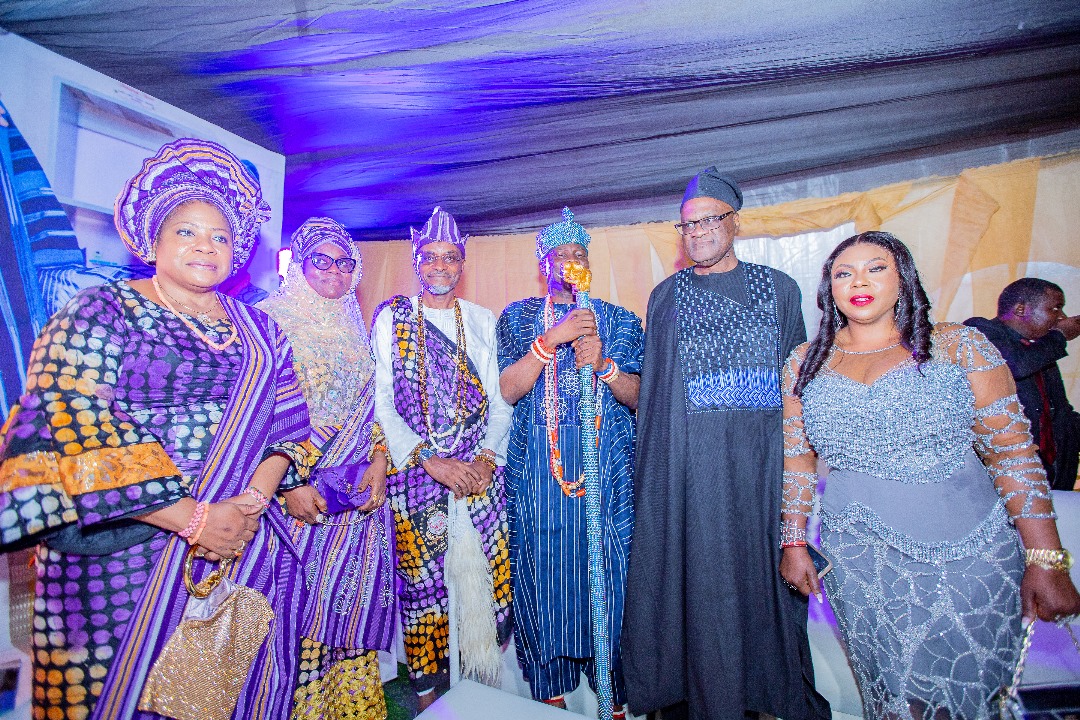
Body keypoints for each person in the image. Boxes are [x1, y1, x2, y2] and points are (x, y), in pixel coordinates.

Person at [0, 138, 314, 719]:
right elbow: (73, 423)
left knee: (214, 695)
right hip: (116, 552)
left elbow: (288, 426)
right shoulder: (101, 310)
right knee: (104, 698)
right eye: (186, 231)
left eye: (221, 236)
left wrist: (246, 507)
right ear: (153, 239)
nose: (206, 246)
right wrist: (194, 519)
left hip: (235, 546)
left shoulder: (263, 331)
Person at [779, 231, 1080, 719]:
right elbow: (797, 460)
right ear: (828, 288)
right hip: (861, 560)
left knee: (968, 697)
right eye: (843, 273)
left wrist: (1045, 558)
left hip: (971, 554)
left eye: (876, 268)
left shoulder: (959, 345)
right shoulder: (804, 361)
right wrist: (793, 542)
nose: (858, 281)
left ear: (903, 278)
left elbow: (1012, 453)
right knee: (893, 698)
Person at [621, 168, 830, 720]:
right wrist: (660, 488)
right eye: (687, 225)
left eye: (708, 220)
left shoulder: (779, 289)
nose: (697, 232)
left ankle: (761, 695)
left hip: (757, 468)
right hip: (689, 473)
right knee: (695, 587)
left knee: (760, 585)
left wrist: (793, 469)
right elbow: (659, 397)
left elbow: (794, 387)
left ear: (734, 222)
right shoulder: (666, 296)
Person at [496, 208, 643, 713]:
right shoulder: (518, 317)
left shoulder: (621, 320)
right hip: (540, 470)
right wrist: (551, 340)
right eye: (559, 254)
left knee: (612, 576)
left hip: (608, 469)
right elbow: (509, 390)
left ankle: (614, 697)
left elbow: (640, 397)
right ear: (544, 265)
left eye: (579, 253)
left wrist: (604, 365)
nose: (570, 260)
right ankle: (550, 697)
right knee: (543, 576)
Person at [371, 206, 513, 711]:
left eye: (449, 257)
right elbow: (381, 400)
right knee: (423, 588)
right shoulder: (392, 319)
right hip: (417, 475)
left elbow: (500, 401)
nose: (439, 265)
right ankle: (429, 695)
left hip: (477, 474)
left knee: (486, 582)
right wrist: (430, 460)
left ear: (462, 263)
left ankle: (480, 685)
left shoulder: (481, 319)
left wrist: (487, 460)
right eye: (429, 256)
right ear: (415, 260)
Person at [258, 217, 396, 719]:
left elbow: (374, 407)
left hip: (353, 494)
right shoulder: (269, 321)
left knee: (347, 609)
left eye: (345, 263)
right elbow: (257, 415)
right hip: (294, 495)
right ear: (298, 264)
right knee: (294, 611)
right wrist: (288, 484)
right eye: (322, 260)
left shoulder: (355, 327)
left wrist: (380, 461)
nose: (335, 272)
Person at [965, 279, 1080, 491]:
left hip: (1051, 477)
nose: (1062, 317)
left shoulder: (1038, 351)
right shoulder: (979, 331)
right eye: (1055, 308)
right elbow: (1014, 366)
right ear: (1020, 309)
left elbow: (1059, 414)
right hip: (1007, 479)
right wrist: (1060, 336)